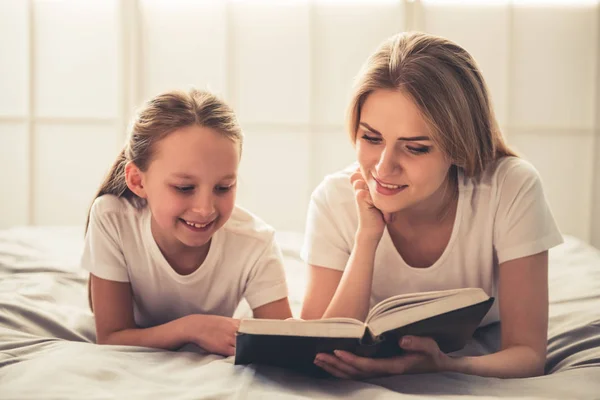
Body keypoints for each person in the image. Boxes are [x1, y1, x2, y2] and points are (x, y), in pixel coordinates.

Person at [300, 32, 563, 379]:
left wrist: (448, 366)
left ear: (458, 146)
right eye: (371, 138)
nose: (383, 167)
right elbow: (315, 346)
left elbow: (528, 354)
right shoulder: (334, 199)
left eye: (416, 147)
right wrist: (366, 239)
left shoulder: (509, 187)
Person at [81, 89, 292, 356]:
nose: (205, 209)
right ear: (137, 181)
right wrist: (193, 329)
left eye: (224, 187)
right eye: (184, 188)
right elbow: (111, 337)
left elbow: (286, 340)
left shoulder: (256, 243)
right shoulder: (113, 218)